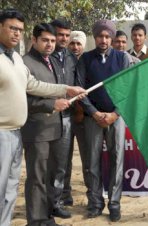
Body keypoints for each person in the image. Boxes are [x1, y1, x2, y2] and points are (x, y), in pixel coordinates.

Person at [0, 9, 85, 226]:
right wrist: (51, 104)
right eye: (12, 28)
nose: (16, 33)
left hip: (30, 130)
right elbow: (28, 97)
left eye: (19, 29)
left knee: (16, 185)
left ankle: (40, 216)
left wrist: (66, 89)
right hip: (23, 131)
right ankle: (36, 218)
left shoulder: (17, 59)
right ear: (34, 40)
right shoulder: (25, 60)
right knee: (27, 180)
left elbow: (36, 85)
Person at [76, 19, 133, 222]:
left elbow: (128, 90)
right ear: (95, 37)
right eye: (100, 36)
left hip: (116, 118)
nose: (104, 39)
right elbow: (81, 91)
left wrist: (115, 114)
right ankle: (95, 203)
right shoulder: (85, 59)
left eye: (108, 36)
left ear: (113, 38)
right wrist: (95, 113)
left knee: (117, 160)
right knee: (92, 162)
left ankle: (115, 204)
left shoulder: (122, 58)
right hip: (93, 118)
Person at [49, 19, 79, 214]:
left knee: (65, 161)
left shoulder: (71, 57)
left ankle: (62, 197)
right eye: (61, 35)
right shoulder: (44, 56)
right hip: (48, 116)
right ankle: (52, 202)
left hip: (68, 116)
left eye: (67, 36)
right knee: (51, 163)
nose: (64, 39)